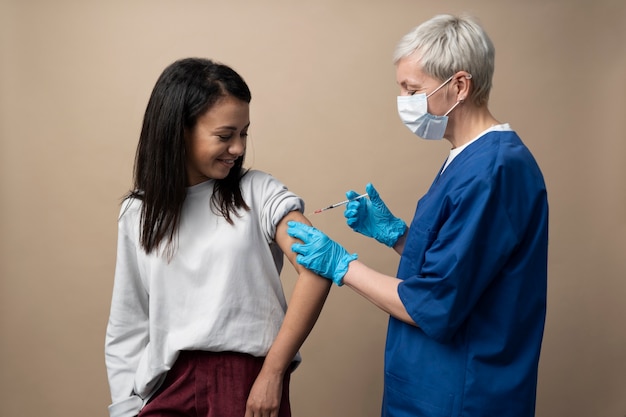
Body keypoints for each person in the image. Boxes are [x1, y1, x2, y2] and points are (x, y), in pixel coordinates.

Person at [287, 14, 548, 417]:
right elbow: (460, 269)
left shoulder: (494, 170)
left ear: (459, 85)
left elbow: (433, 304)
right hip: (429, 387)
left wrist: (341, 264)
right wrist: (395, 236)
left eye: (413, 90)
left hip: (463, 393)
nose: (405, 102)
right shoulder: (466, 159)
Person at [105, 57, 331, 417]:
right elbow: (128, 323)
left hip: (245, 386)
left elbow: (319, 268)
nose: (239, 148)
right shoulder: (138, 212)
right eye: (225, 136)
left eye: (243, 133)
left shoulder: (258, 192)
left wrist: (272, 373)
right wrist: (125, 408)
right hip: (166, 386)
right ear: (179, 130)